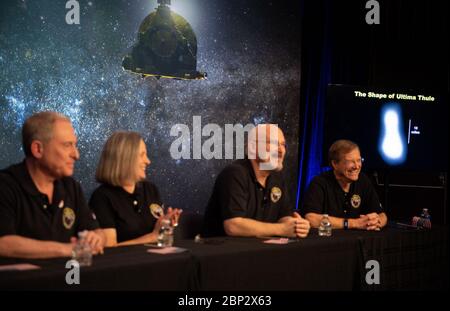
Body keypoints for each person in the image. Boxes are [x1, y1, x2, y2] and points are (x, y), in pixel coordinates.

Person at [0, 111, 105, 259]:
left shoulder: (71, 187)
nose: (76, 154)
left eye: (75, 145)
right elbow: (4, 243)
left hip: (69, 279)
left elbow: (95, 231)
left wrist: (95, 238)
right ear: (38, 149)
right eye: (67, 145)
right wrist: (67, 249)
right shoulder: (5, 186)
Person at [202, 124, 310, 238]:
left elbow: (283, 217)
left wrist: (297, 225)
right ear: (253, 147)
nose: (281, 150)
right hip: (221, 251)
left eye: (283, 145)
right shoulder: (234, 173)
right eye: (273, 143)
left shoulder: (277, 178)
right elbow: (233, 226)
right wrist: (282, 229)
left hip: (258, 251)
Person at [89, 131, 182, 247]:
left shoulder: (150, 190)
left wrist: (165, 223)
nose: (148, 161)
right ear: (125, 158)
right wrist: (152, 237)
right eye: (142, 155)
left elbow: (160, 235)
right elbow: (109, 249)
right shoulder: (102, 197)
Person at [303, 139, 388, 230]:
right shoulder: (319, 183)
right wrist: (353, 223)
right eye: (350, 161)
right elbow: (311, 219)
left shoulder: (363, 180)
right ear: (335, 164)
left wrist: (376, 222)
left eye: (359, 160)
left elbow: (382, 215)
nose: (356, 166)